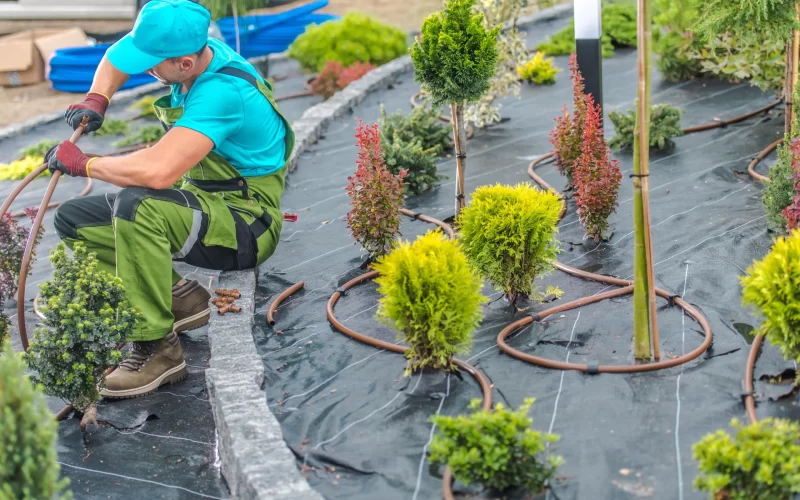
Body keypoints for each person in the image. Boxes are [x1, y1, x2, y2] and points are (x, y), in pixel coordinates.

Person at [47, 0, 294, 399]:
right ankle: (180, 298)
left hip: (246, 223)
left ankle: (159, 349)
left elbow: (158, 172)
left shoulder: (220, 92)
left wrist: (85, 164)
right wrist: (97, 98)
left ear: (184, 64)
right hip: (204, 202)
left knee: (136, 207)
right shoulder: (192, 50)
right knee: (75, 219)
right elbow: (115, 57)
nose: (145, 68)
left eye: (153, 62)